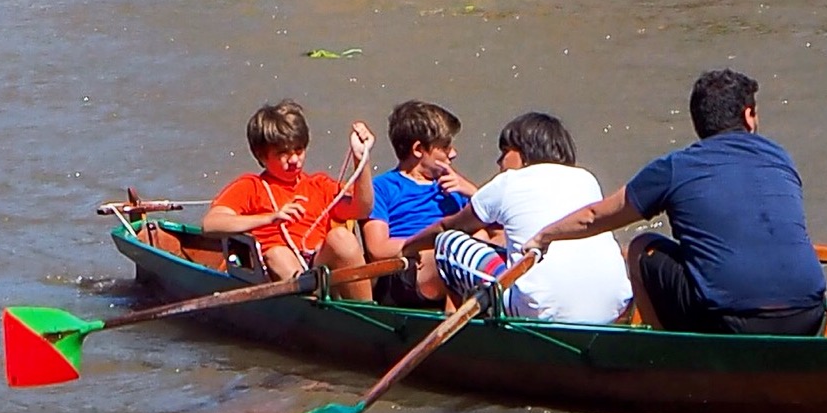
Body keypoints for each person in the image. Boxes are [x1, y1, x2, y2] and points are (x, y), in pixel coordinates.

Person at [528, 69, 827, 336]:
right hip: (809, 316)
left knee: (641, 248)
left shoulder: (676, 167)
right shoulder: (780, 158)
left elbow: (595, 216)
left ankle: (666, 354)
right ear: (748, 116)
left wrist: (545, 236)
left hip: (729, 322)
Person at [409, 111, 634, 325]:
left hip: (536, 311)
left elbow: (448, 226)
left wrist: (406, 248)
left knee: (447, 242)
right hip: (612, 309)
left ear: (523, 153)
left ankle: (466, 330)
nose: (499, 162)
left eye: (505, 152)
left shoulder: (509, 181)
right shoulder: (586, 179)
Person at [202, 100, 377, 285]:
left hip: (318, 263)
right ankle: (309, 299)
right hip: (277, 270)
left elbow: (362, 209)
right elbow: (210, 224)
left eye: (299, 150)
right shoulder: (251, 187)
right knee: (278, 255)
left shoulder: (319, 185)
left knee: (342, 238)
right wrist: (270, 218)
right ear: (261, 155)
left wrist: (361, 159)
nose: (294, 159)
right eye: (283, 153)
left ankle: (363, 302)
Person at [362, 98, 474, 305]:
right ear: (418, 149)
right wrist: (422, 244)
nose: (453, 154)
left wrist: (472, 192)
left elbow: (496, 224)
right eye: (445, 147)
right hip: (407, 270)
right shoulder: (383, 187)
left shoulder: (455, 186)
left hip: (453, 261)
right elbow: (377, 249)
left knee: (491, 237)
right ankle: (456, 321)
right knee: (449, 252)